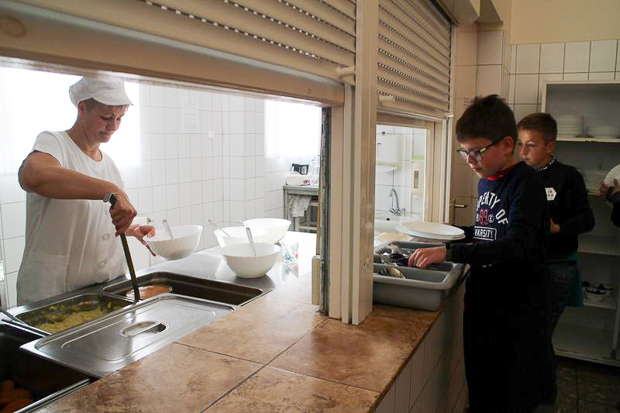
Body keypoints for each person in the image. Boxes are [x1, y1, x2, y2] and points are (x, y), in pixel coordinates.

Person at [409, 95, 552, 412]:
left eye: (477, 151)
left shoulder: (525, 183)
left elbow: (517, 243)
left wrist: (450, 251)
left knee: (509, 393)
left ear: (507, 145)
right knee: (481, 384)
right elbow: (489, 231)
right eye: (465, 152)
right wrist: (452, 232)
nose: (470, 160)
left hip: (516, 307)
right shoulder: (488, 181)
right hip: (484, 299)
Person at [17, 77, 155, 305]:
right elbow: (34, 175)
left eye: (120, 118)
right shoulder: (54, 143)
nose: (114, 126)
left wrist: (130, 228)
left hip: (107, 287)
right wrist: (110, 189)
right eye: (106, 118)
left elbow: (89, 217)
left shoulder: (108, 164)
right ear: (82, 108)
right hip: (56, 293)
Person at [517, 113, 595, 404]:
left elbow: (587, 219)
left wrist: (557, 228)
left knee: (538, 337)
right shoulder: (519, 175)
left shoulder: (567, 177)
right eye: (520, 144)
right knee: (530, 335)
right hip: (527, 267)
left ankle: (544, 400)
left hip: (557, 267)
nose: (523, 152)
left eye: (531, 145)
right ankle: (530, 394)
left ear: (550, 146)